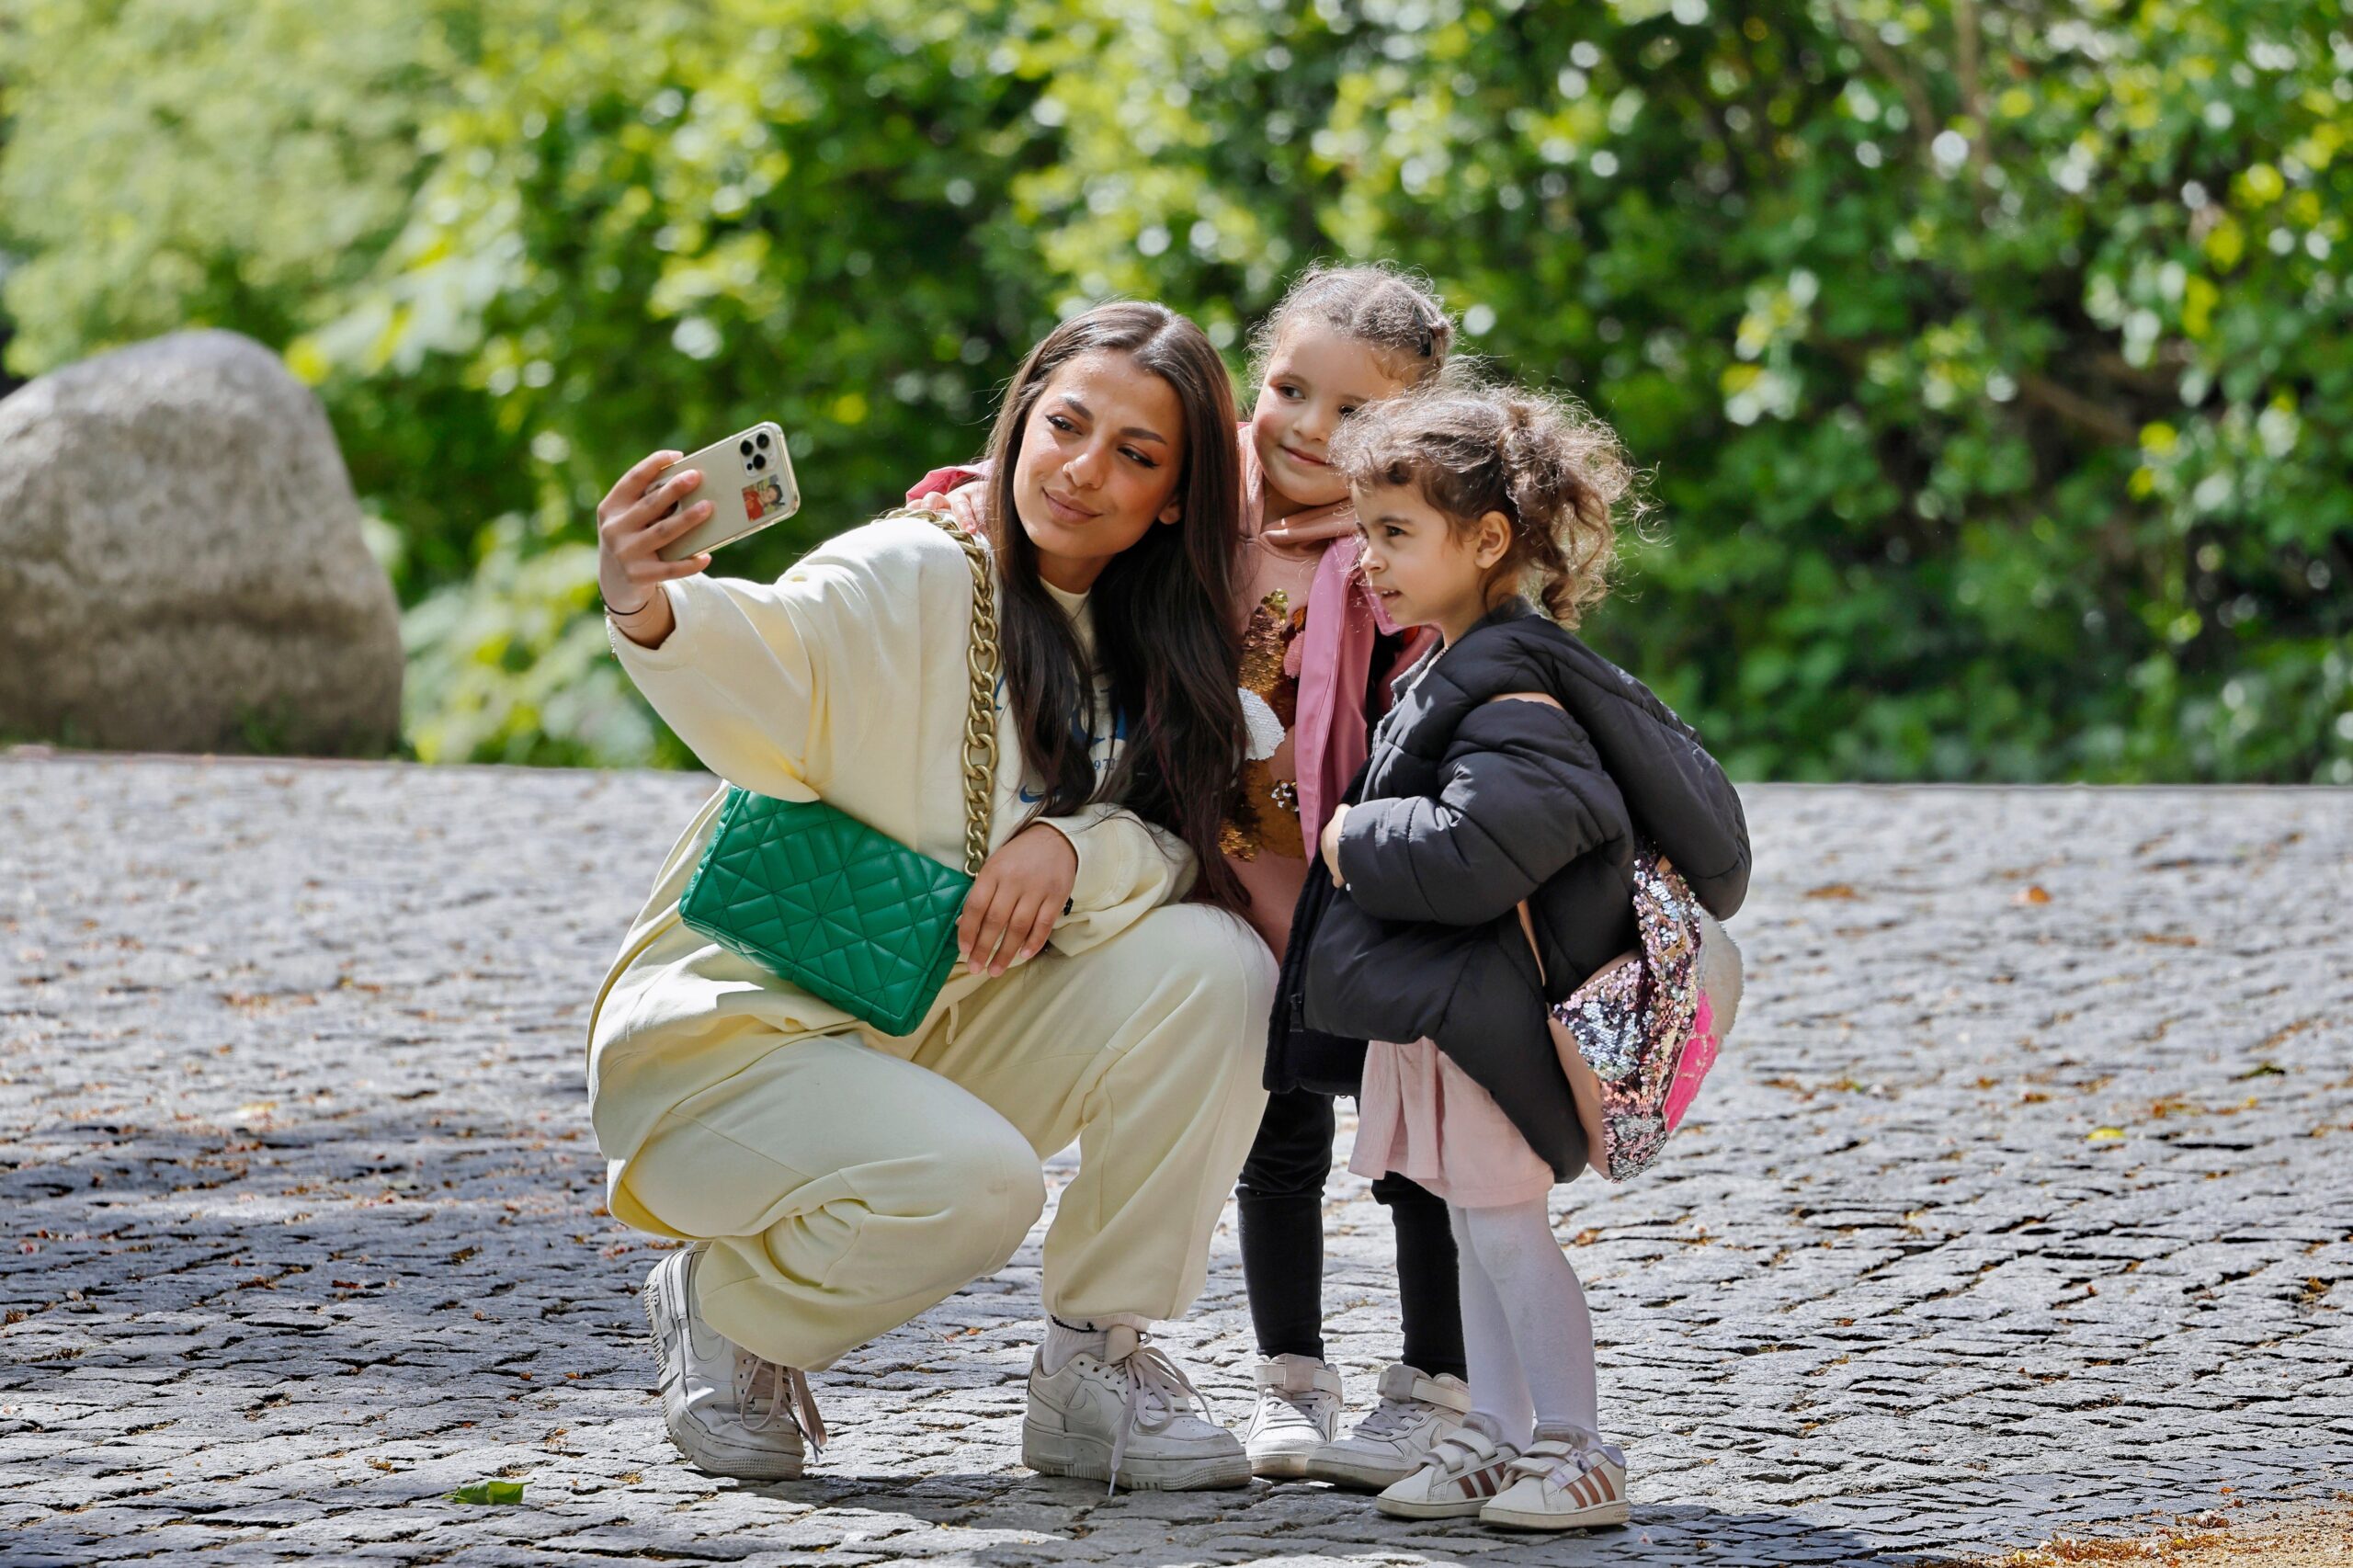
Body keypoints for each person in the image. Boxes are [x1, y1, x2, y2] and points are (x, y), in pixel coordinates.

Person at [587, 301, 1274, 1492]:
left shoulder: (1151, 642)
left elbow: (1175, 837)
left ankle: (1093, 1367)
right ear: (1018, 423)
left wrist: (1073, 844)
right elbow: (775, 658)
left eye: (1136, 454)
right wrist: (650, 604)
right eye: (1066, 424)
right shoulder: (913, 568)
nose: (1083, 469)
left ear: (1174, 497)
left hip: (920, 1025)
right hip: (743, 1041)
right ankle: (727, 1310)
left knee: (1220, 968)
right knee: (983, 1181)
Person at [909, 265, 1477, 1488]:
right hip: (1208, 875)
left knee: (1411, 1139)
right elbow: (1076, 481)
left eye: (1355, 414)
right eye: (1289, 390)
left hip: (1357, 881)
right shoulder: (1204, 488)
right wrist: (959, 505)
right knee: (1274, 1129)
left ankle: (1435, 1380)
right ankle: (1291, 1378)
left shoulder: (1403, 542)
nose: (1311, 432)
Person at [1280, 381, 1750, 1530]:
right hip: (1455, 1012)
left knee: (1505, 1230)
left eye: (1394, 534)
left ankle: (1578, 1444)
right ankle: (1492, 1432)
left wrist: (1349, 834)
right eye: (1362, 532)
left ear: (1486, 539)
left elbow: (1482, 847)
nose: (1366, 561)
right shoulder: (1451, 664)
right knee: (1464, 1222)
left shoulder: (1511, 686)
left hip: (1494, 1012)